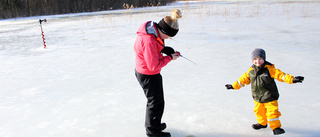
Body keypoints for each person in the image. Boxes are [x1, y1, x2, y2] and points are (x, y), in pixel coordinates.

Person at [225, 48, 304, 135]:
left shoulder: (269, 69)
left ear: (264, 59)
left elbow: (281, 76)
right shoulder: (251, 71)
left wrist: (293, 79)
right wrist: (233, 86)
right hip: (258, 97)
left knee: (272, 113)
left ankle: (276, 127)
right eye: (255, 59)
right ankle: (262, 124)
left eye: (260, 59)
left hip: (270, 96)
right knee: (259, 112)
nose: (257, 61)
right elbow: (242, 80)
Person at [134, 10, 182, 137]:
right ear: (164, 32)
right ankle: (153, 132)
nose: (168, 39)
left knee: (158, 102)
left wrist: (164, 49)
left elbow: (156, 45)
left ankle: (154, 124)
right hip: (148, 74)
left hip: (149, 72)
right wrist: (170, 57)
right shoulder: (149, 40)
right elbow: (153, 65)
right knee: (155, 103)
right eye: (169, 37)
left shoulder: (153, 31)